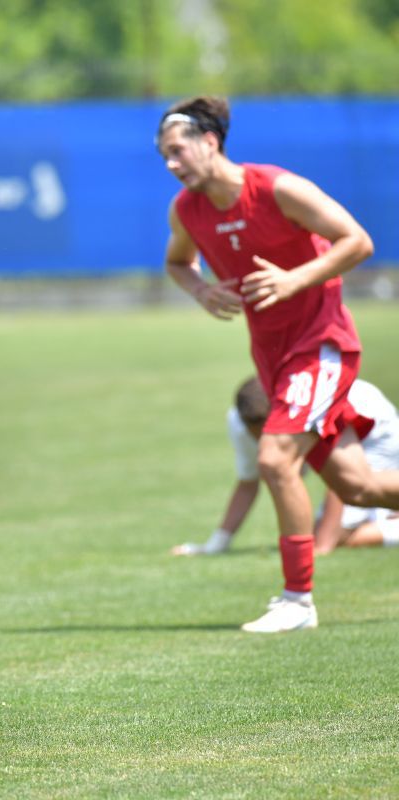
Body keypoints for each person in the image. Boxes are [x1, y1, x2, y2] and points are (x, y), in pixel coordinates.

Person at [158, 95, 399, 633]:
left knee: (274, 459)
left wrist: (295, 279)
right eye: (164, 157)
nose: (172, 164)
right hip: (272, 358)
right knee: (360, 487)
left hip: (321, 345)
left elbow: (357, 241)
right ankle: (297, 598)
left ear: (210, 142)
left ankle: (297, 600)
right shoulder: (188, 211)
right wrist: (201, 290)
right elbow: (177, 262)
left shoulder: (276, 188)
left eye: (178, 151)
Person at [173, 376, 399, 557]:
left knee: (339, 531)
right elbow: (248, 482)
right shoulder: (241, 420)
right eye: (257, 436)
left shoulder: (313, 411)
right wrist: (217, 544)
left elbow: (342, 477)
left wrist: (322, 545)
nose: (263, 442)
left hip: (373, 434)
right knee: (335, 529)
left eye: (266, 432)